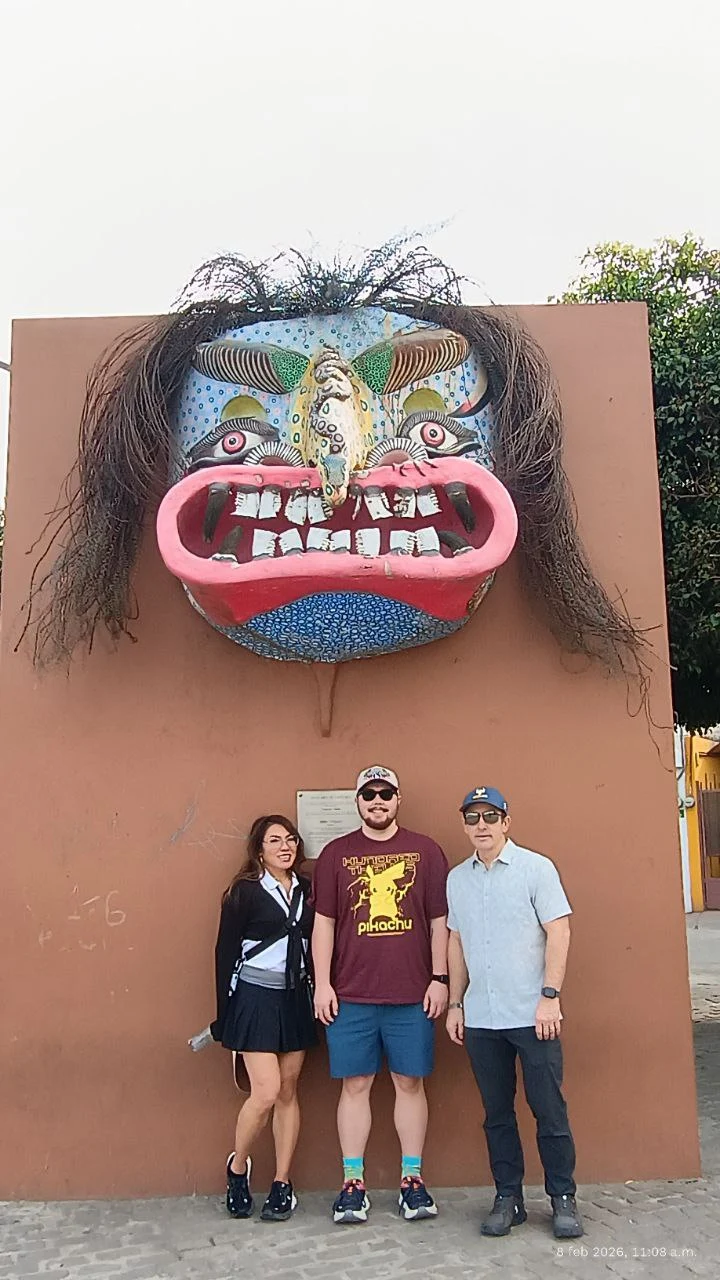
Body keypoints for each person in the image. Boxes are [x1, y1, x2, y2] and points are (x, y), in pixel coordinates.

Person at [312, 765, 449, 1224]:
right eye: (368, 794)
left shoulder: (426, 851)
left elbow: (439, 922)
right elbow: (324, 924)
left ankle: (413, 1181)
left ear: (398, 798)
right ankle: (353, 1184)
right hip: (351, 994)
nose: (377, 800)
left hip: (412, 994)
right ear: (357, 801)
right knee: (356, 1085)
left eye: (385, 792)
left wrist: (440, 977)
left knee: (410, 1083)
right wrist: (323, 983)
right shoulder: (335, 854)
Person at [445, 786, 583, 1240]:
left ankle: (563, 1197)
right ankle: (509, 1197)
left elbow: (558, 932)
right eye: (472, 818)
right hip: (483, 1018)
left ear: (506, 821)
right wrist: (455, 1003)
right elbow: (457, 942)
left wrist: (550, 995)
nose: (480, 825)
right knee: (496, 1114)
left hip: (533, 1013)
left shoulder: (535, 869)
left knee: (548, 1109)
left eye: (489, 816)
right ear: (464, 825)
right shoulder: (457, 879)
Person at [210, 814, 316, 1222]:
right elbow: (224, 954)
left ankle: (282, 1183)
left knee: (289, 1091)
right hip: (254, 998)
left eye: (290, 839)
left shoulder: (307, 890)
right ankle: (238, 1169)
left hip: (295, 997)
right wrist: (224, 1014)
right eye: (275, 841)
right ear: (259, 850)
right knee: (266, 1091)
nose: (285, 846)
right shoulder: (244, 893)